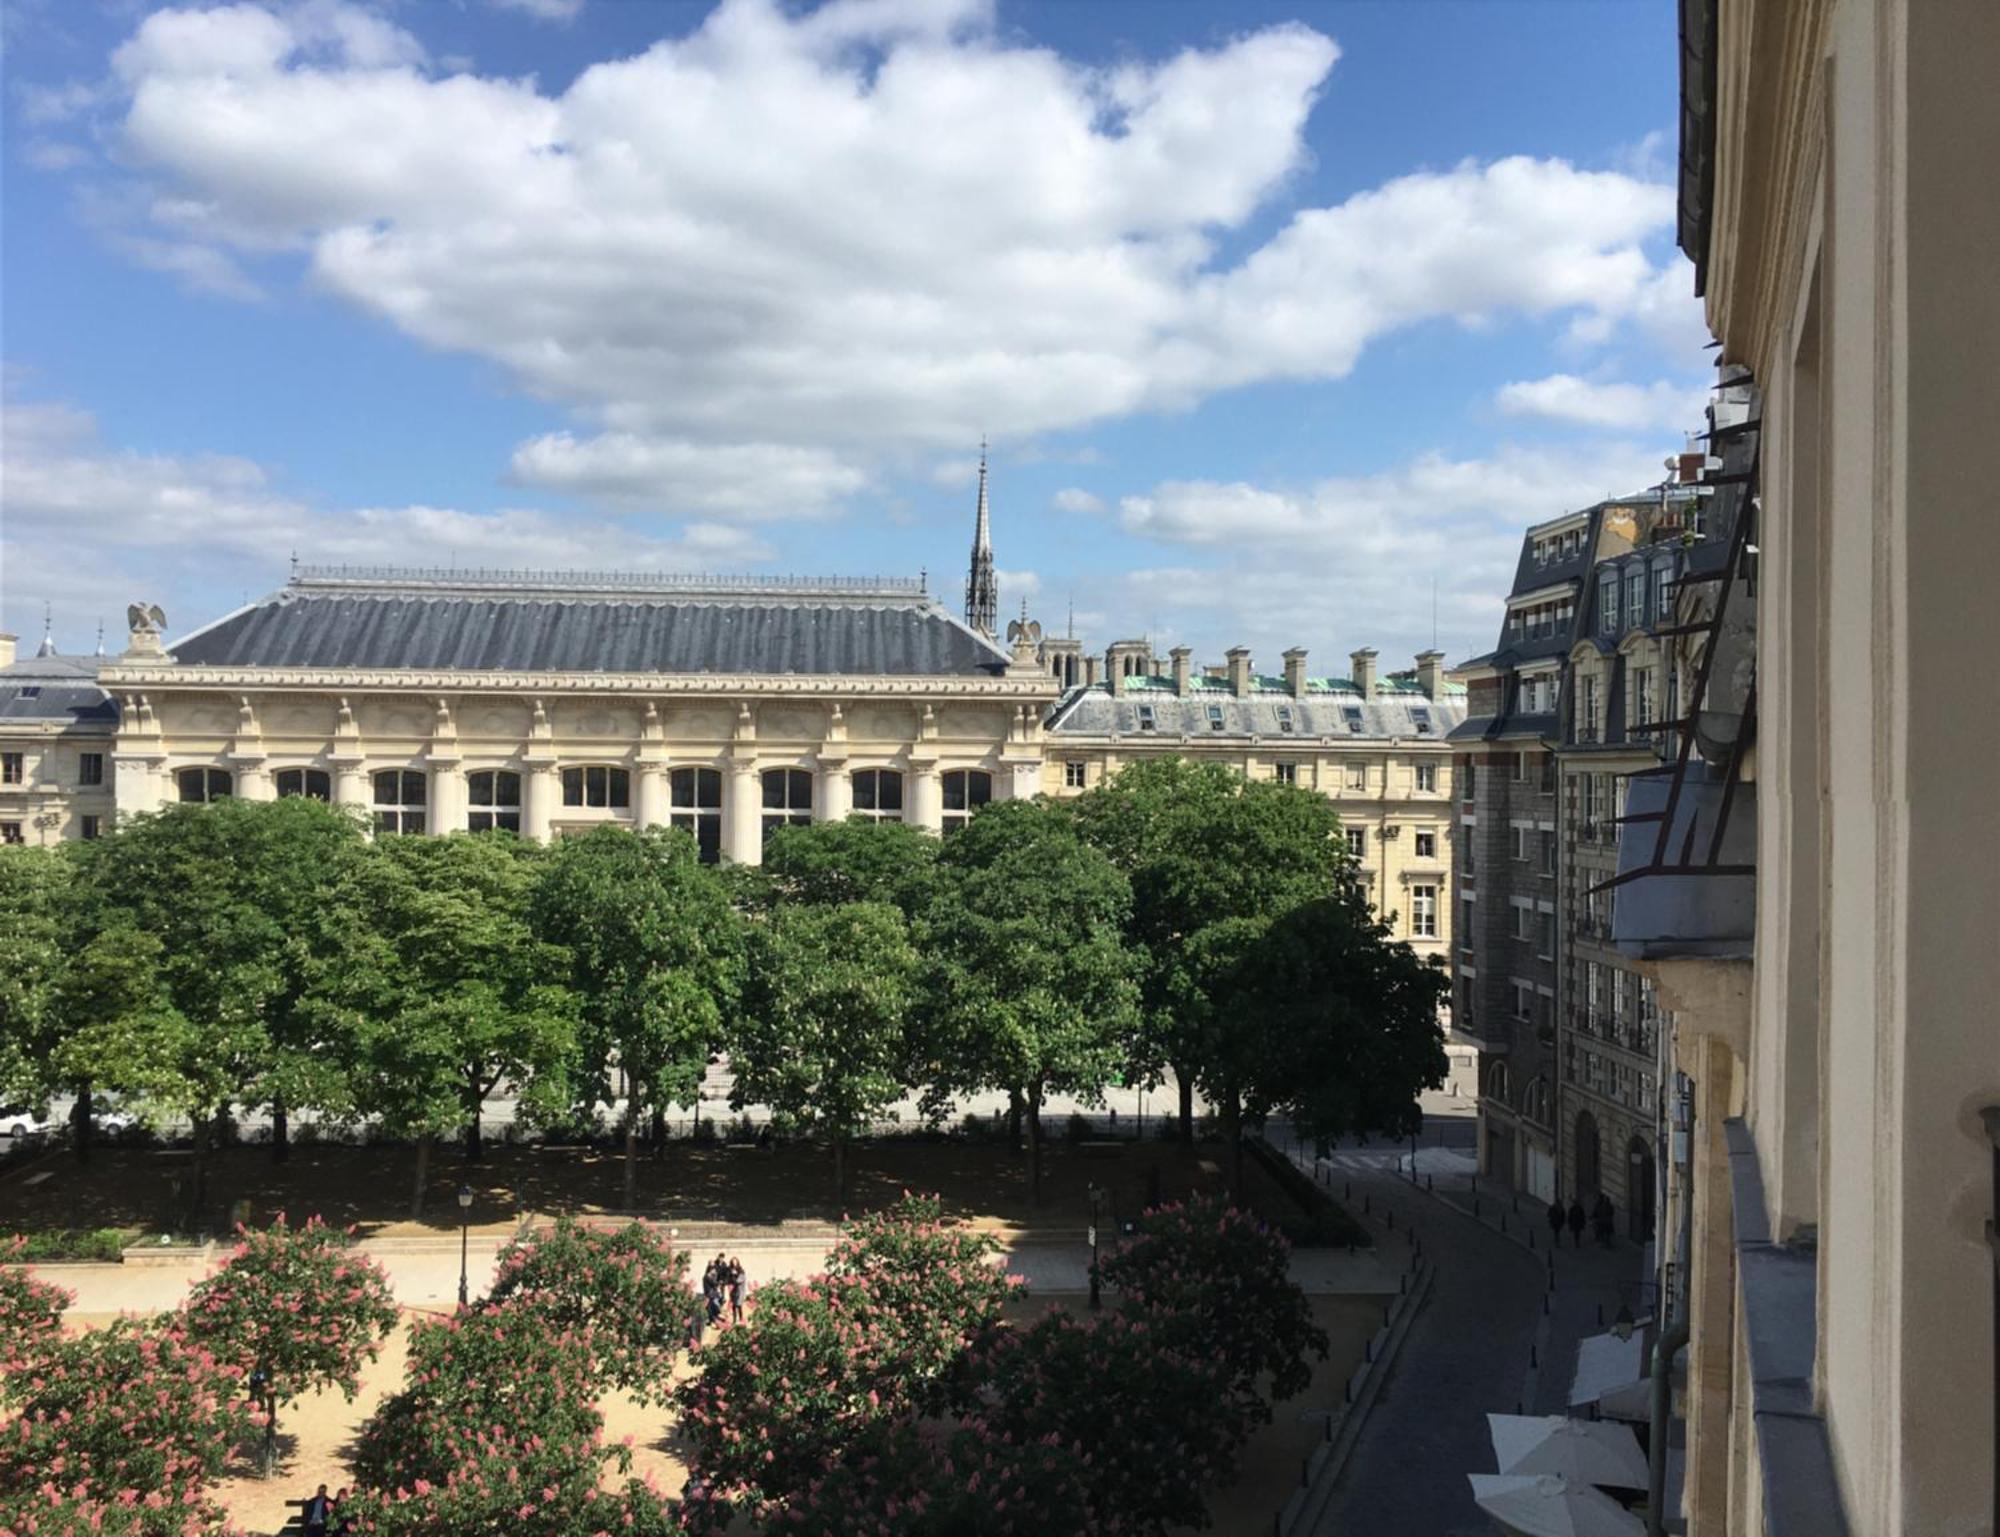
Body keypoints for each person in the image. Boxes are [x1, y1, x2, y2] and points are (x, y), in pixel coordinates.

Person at [727, 1255, 746, 1324]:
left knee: (739, 1305)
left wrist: (734, 1274)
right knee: (734, 1306)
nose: (734, 1263)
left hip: (740, 1290)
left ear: (737, 1262)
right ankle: (734, 1320)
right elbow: (729, 1280)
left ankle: (741, 1319)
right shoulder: (730, 1270)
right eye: (733, 1262)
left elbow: (738, 1281)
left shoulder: (740, 1270)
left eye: (735, 1262)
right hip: (733, 1291)